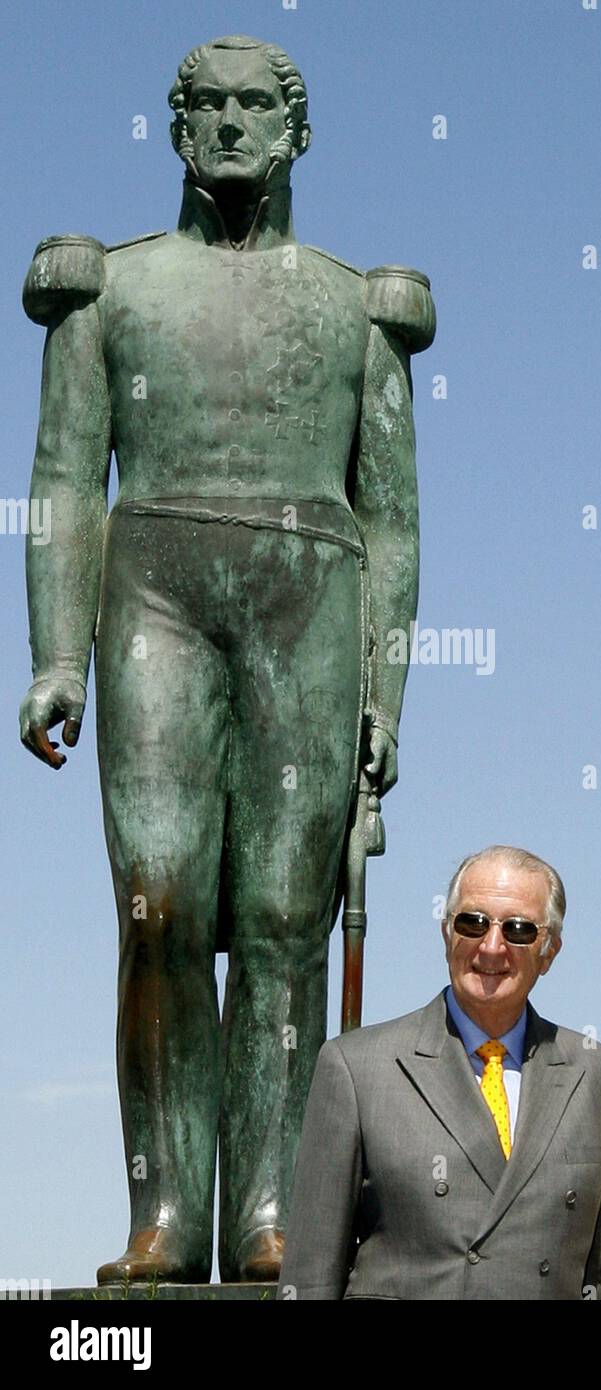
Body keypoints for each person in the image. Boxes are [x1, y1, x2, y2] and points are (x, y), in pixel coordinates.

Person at [18, 34, 434, 1284]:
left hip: (313, 592)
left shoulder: (362, 305)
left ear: (297, 131)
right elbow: (59, 482)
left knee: (280, 919)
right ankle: (165, 1212)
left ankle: (267, 1212)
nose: (235, 125)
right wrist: (55, 656)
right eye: (210, 107)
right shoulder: (106, 291)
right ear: (177, 129)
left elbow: (397, 518)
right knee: (158, 899)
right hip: (153, 586)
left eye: (260, 106)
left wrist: (385, 694)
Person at [277, 846, 601, 1299]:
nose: (491, 946)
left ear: (549, 951)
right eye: (472, 923)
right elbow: (310, 1275)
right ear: (446, 933)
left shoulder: (600, 1075)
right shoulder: (358, 1067)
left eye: (519, 930)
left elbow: (592, 1275)